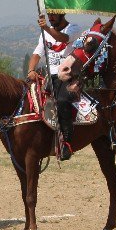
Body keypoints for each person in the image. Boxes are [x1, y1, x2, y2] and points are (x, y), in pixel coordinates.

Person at [27, 13, 76, 160]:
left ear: (62, 14)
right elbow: (37, 53)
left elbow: (64, 39)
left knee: (61, 101)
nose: (51, 18)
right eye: (49, 16)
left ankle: (67, 142)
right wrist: (31, 70)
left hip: (66, 76)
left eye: (54, 15)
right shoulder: (45, 33)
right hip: (48, 76)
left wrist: (46, 28)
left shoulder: (74, 28)